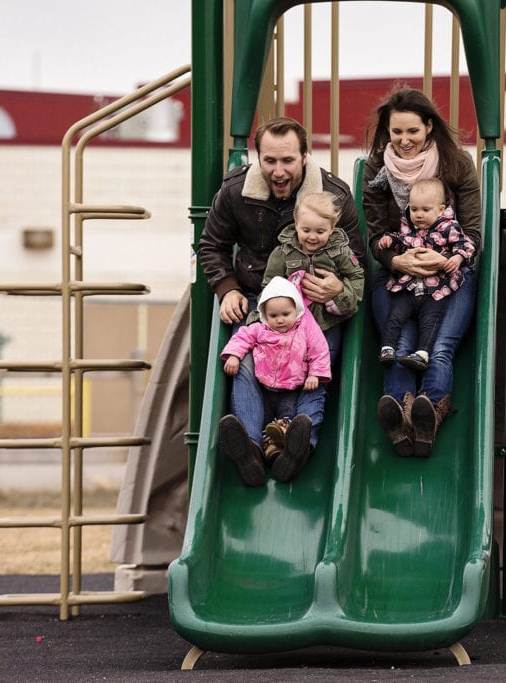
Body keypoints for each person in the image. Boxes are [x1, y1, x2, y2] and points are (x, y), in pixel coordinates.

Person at [198, 117, 364, 477]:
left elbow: (358, 260)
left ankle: (297, 443)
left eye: (287, 160)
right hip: (259, 296)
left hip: (317, 306)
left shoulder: (332, 196)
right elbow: (212, 245)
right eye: (269, 160)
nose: (277, 171)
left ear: (305, 156)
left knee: (318, 364)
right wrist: (226, 289)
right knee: (242, 362)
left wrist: (338, 288)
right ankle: (252, 449)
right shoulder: (236, 191)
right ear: (258, 158)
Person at [362, 88, 482, 457]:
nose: (404, 140)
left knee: (440, 346)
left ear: (429, 126)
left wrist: (444, 258)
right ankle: (399, 413)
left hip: (449, 273)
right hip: (399, 273)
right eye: (396, 132)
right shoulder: (377, 168)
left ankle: (430, 409)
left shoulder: (455, 164)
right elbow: (375, 233)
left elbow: (474, 233)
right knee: (398, 345)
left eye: (412, 131)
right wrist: (397, 261)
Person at [220, 277, 331, 485]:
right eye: (273, 315)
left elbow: (320, 350)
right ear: (264, 315)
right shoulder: (260, 329)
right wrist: (234, 355)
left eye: (285, 314)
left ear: (296, 311)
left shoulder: (305, 329)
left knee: (286, 423)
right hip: (265, 389)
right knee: (266, 425)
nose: (280, 320)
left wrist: (315, 374)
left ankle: (281, 454)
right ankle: (256, 453)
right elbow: (242, 337)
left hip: (291, 390)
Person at [377, 176, 475, 372]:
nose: (418, 215)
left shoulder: (449, 228)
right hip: (408, 287)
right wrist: (389, 240)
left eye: (425, 210)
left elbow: (466, 245)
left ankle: (422, 353)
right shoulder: (409, 229)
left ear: (440, 209)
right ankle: (387, 348)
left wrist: (456, 258)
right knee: (395, 316)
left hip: (435, 289)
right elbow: (400, 240)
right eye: (414, 210)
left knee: (431, 322)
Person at [257, 190, 365, 335]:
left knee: (329, 350)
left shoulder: (340, 252)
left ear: (332, 228)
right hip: (292, 323)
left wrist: (341, 295)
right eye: (306, 230)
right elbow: (269, 285)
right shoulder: (282, 254)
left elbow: (356, 276)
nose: (312, 237)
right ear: (296, 224)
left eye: (320, 232)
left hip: (327, 322)